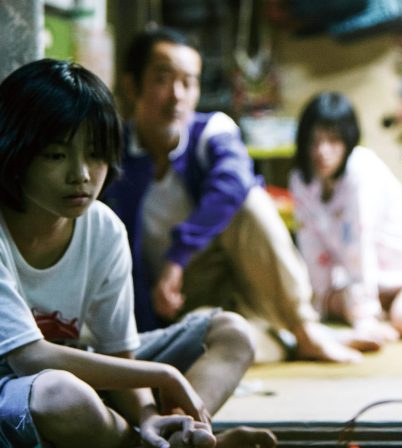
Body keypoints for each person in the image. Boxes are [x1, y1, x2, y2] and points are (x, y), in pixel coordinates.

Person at [0, 59, 276, 448]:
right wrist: (162, 374)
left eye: (95, 154)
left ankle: (177, 433)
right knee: (59, 396)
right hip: (18, 391)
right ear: (14, 152)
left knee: (232, 333)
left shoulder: (103, 227)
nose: (81, 174)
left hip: (78, 370)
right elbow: (30, 359)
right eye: (56, 155)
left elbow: (120, 353)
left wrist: (150, 414)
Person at [103, 27, 364, 363]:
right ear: (131, 85)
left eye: (189, 82)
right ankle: (281, 341)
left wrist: (176, 259)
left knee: (249, 200)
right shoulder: (114, 158)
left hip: (242, 279)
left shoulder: (212, 132)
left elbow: (232, 184)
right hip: (183, 304)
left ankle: (304, 328)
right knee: (210, 344)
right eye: (163, 79)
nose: (177, 95)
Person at [289, 91, 402, 345]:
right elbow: (312, 248)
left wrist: (364, 317)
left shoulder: (361, 169)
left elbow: (359, 247)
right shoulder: (301, 179)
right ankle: (379, 311)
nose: (322, 151)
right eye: (314, 141)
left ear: (348, 140)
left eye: (333, 140)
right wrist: (318, 307)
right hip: (377, 280)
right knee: (328, 300)